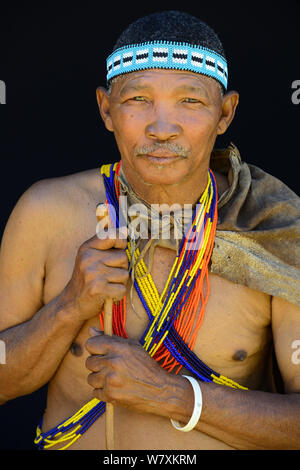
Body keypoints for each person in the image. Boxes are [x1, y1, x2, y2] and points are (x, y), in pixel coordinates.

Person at [0, 10, 300, 451]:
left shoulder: (271, 227)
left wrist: (172, 395)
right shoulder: (46, 213)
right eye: (138, 99)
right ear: (106, 109)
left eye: (190, 102)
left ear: (225, 113)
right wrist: (69, 305)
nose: (161, 129)